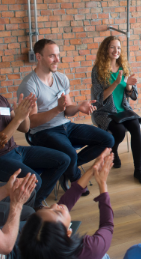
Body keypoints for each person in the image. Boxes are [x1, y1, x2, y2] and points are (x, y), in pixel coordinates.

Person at [0, 64, 70, 206]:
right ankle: (32, 206)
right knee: (35, 180)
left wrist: (25, 114)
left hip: (15, 150)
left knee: (63, 159)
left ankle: (36, 202)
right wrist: (17, 118)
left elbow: (24, 128)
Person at [18, 39, 115, 194]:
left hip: (66, 126)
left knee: (108, 140)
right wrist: (57, 109)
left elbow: (67, 110)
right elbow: (32, 123)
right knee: (69, 154)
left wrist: (78, 107)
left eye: (58, 55)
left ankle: (68, 168)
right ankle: (76, 179)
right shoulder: (30, 85)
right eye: (52, 56)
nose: (57, 60)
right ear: (39, 56)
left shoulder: (61, 78)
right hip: (44, 132)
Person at [90, 35, 141, 185]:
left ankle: (138, 170)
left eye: (118, 48)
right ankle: (113, 151)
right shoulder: (97, 70)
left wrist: (128, 85)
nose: (116, 50)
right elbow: (98, 99)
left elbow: (134, 95)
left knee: (136, 127)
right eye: (112, 47)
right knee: (120, 131)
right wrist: (117, 83)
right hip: (105, 112)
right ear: (106, 49)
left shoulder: (124, 67)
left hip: (123, 110)